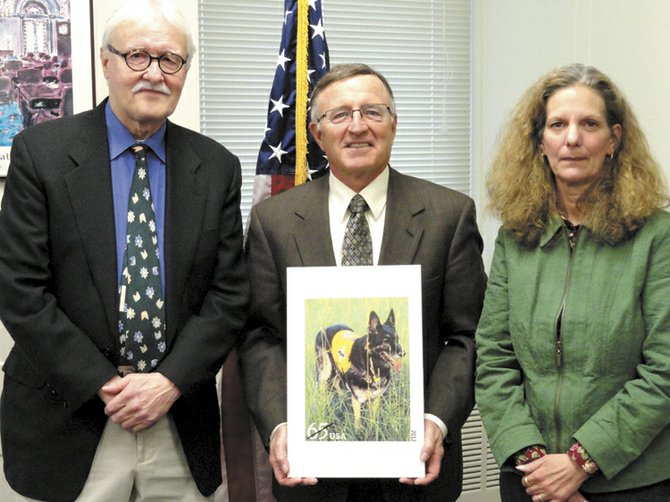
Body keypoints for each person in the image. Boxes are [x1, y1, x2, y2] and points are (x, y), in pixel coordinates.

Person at [0, 1, 248, 500]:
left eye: (170, 60)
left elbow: (229, 295)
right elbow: (20, 291)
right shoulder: (41, 154)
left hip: (178, 420)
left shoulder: (217, 166)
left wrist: (168, 383)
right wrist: (105, 386)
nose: (154, 74)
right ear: (105, 61)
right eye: (138, 56)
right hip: (69, 415)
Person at [239, 63, 487, 502]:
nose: (357, 127)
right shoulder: (273, 222)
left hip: (416, 474)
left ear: (394, 124)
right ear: (317, 133)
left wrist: (438, 421)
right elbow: (261, 337)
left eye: (372, 112)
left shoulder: (450, 215)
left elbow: (466, 337)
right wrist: (280, 425)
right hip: (311, 476)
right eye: (340, 115)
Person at [475, 63, 670, 502]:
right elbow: (493, 359)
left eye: (590, 124)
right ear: (540, 141)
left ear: (614, 140)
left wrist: (580, 463)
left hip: (631, 480)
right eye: (557, 124)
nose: (572, 139)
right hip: (532, 479)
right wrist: (538, 466)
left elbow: (664, 371)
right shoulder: (515, 235)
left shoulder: (658, 236)